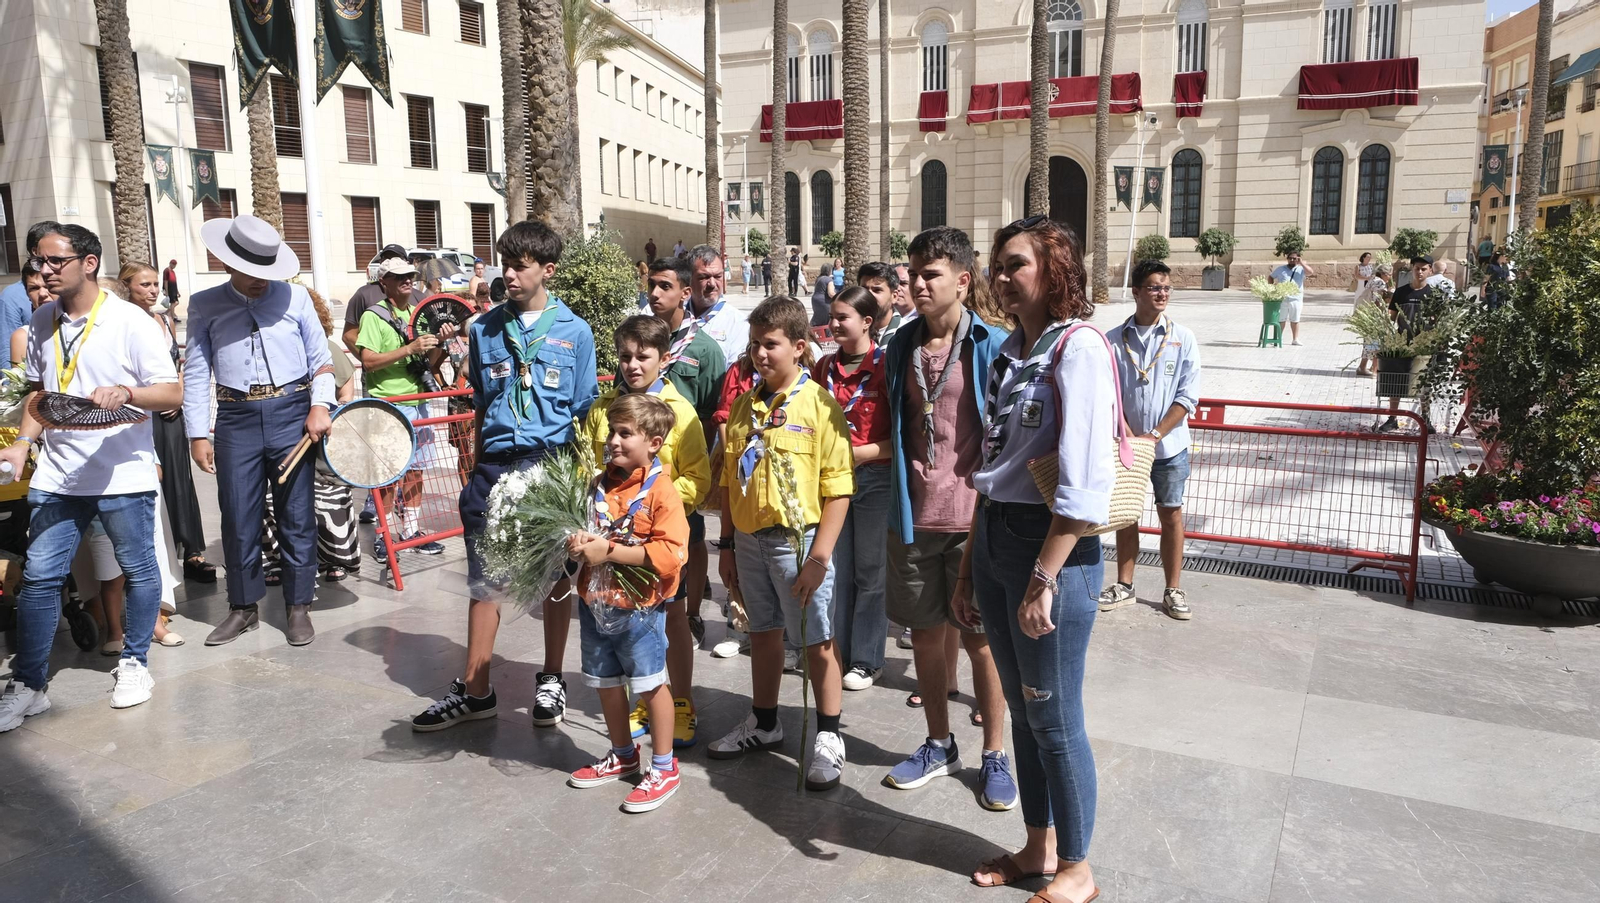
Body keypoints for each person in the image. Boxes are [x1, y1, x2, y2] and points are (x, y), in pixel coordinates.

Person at [965, 216, 1117, 902]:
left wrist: (1042, 577)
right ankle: (1038, 843)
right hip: (998, 537)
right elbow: (994, 464)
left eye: (1016, 263)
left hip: (1050, 549)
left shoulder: (1079, 349)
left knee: (1054, 715)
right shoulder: (1009, 350)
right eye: (997, 264)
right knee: (1023, 715)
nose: (1001, 276)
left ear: (1054, 268)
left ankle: (1077, 866)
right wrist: (974, 560)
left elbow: (1085, 485)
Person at [410, 220, 599, 732]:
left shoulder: (575, 332)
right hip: (494, 468)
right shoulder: (485, 329)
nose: (508, 275)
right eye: (505, 265)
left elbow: (583, 409)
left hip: (550, 466)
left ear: (547, 271)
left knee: (556, 577)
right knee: (484, 581)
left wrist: (580, 484)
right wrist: (476, 470)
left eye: (520, 266)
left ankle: (553, 676)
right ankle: (476, 689)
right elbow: (480, 403)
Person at [0, 223, 183, 729]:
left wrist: (127, 391)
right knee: (39, 578)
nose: (45, 270)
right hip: (58, 474)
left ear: (89, 262)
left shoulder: (131, 321)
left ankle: (134, 662)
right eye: (39, 262)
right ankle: (30, 683)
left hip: (122, 473)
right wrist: (22, 442)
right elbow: (41, 392)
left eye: (56, 260)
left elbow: (171, 394)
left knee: (139, 570)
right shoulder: (40, 321)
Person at [881, 226, 1016, 809]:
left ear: (963, 281)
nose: (917, 283)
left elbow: (1009, 436)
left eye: (930, 274)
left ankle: (995, 753)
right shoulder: (900, 344)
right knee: (927, 641)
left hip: (973, 520)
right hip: (913, 518)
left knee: (980, 640)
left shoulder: (993, 343)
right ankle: (939, 743)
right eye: (913, 272)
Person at [709, 295, 855, 791]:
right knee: (764, 633)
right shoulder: (745, 407)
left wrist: (819, 558)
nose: (760, 354)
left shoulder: (819, 406)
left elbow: (838, 488)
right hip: (749, 541)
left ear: (798, 347)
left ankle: (830, 736)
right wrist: (726, 545)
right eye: (754, 345)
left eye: (770, 345)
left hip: (799, 543)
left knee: (816, 642)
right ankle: (765, 722)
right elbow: (730, 479)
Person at [184, 216, 335, 648]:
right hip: (236, 417)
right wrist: (198, 433)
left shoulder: (298, 298)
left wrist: (320, 405)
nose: (260, 282)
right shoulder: (204, 304)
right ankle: (243, 607)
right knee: (237, 516)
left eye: (268, 273)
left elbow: (321, 360)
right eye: (251, 272)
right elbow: (196, 372)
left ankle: (298, 605)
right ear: (226, 263)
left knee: (296, 514)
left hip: (293, 413)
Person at [576, 315, 709, 747]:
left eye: (643, 357)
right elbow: (586, 469)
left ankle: (681, 701)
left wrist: (648, 505)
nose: (633, 365)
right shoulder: (603, 410)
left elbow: (697, 478)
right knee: (621, 623)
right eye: (625, 356)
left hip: (657, 536)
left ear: (663, 358)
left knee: (671, 615)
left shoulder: (680, 411)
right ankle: (641, 699)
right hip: (607, 544)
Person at [565, 393, 689, 812]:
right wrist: (575, 542)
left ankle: (664, 765)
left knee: (650, 684)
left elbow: (670, 554)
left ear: (653, 442)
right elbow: (582, 529)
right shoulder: (596, 485)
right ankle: (622, 754)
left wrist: (612, 553)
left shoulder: (661, 492)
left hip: (639, 610)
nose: (614, 441)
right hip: (594, 601)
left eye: (625, 434)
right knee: (605, 682)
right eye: (611, 432)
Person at [1097, 260, 1201, 621]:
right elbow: (1107, 394)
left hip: (1168, 447)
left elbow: (1187, 397)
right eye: (1155, 287)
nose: (1162, 294)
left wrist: (1155, 435)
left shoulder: (1181, 338)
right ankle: (1124, 584)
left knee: (1170, 513)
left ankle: (1173, 588)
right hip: (1126, 446)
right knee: (1127, 514)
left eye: (1167, 288)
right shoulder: (1112, 340)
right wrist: (1128, 435)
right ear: (1136, 292)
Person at [119, 263, 217, 586]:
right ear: (126, 286)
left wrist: (179, 393)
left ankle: (192, 552)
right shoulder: (120, 322)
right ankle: (157, 557)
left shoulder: (162, 320)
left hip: (171, 410)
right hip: (139, 413)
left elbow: (177, 363)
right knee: (151, 481)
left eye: (154, 284)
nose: (152, 290)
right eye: (143, 284)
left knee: (180, 478)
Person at [813, 287, 892, 690]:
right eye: (832, 316)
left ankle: (867, 658)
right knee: (835, 570)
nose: (834, 323)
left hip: (875, 480)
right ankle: (837, 652)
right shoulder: (823, 368)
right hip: (831, 482)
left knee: (870, 572)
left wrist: (859, 454)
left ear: (868, 321)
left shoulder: (886, 366)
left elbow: (902, 438)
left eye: (844, 317)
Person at [262, 288, 362, 583]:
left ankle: (333, 559)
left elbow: (346, 392)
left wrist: (327, 411)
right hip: (286, 436)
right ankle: (277, 560)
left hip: (324, 442)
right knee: (273, 498)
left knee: (328, 500)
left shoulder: (327, 348)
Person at [356, 257, 447, 559]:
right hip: (389, 407)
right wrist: (408, 348)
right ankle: (383, 537)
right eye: (399, 277)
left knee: (417, 472)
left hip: (418, 405)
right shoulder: (374, 316)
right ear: (384, 283)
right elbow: (367, 361)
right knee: (388, 476)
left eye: (409, 275)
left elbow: (428, 363)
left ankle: (410, 531)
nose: (407, 280)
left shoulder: (416, 315)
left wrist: (438, 344)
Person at [341, 243, 411, 354]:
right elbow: (349, 335)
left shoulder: (418, 297)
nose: (390, 261)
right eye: (386, 258)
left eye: (396, 258)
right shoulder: (364, 294)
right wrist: (376, 361)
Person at [1267, 251, 1313, 345]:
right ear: (1287, 259)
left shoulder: (1301, 269)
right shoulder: (1281, 269)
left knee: (1295, 319)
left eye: (1294, 258)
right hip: (1282, 298)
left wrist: (1302, 263)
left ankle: (1295, 339)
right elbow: (1271, 277)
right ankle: (1278, 338)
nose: (1292, 260)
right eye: (1290, 258)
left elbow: (1310, 272)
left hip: (1296, 298)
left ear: (1298, 259)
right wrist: (1272, 289)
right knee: (1281, 319)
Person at [811, 262, 837, 327]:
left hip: (815, 300)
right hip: (824, 301)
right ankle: (826, 335)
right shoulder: (829, 280)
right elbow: (831, 293)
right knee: (826, 319)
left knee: (818, 317)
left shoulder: (819, 278)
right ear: (830, 270)